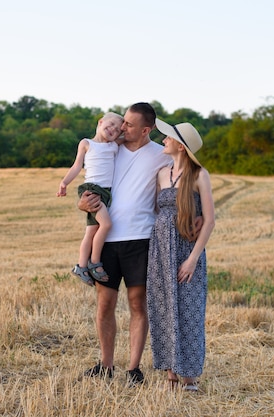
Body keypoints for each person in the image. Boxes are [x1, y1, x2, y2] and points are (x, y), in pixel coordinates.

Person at [77, 103, 172, 386]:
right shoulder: (108, 148)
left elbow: (179, 182)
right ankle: (105, 365)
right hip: (105, 241)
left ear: (146, 129)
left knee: (137, 304)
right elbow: (89, 182)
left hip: (141, 240)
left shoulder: (160, 156)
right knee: (105, 305)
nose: (122, 128)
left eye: (129, 125)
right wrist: (82, 204)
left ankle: (133, 369)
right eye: (123, 122)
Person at [146, 118, 215, 392]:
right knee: (163, 310)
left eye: (168, 138)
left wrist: (192, 259)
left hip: (188, 250)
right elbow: (157, 211)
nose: (163, 140)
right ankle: (171, 375)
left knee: (189, 311)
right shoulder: (161, 174)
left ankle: (190, 378)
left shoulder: (200, 176)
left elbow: (209, 221)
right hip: (160, 250)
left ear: (181, 147)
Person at [57, 112, 125, 286]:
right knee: (107, 225)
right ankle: (94, 262)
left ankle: (80, 265)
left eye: (117, 130)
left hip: (107, 192)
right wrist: (64, 183)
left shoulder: (114, 145)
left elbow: (131, 135)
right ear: (100, 122)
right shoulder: (87, 143)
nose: (112, 130)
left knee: (91, 231)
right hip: (92, 190)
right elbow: (77, 165)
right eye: (109, 125)